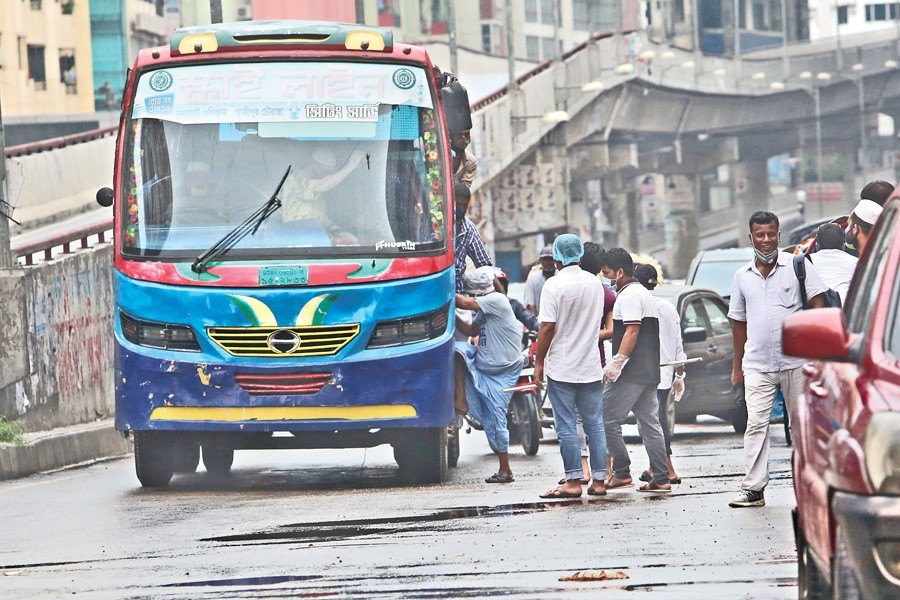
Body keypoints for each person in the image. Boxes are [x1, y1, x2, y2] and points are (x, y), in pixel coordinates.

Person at [728, 211, 828, 508]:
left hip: (797, 362)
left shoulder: (797, 266)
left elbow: (818, 305)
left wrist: (816, 352)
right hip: (757, 364)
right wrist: (737, 368)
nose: (767, 240)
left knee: (800, 426)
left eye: (771, 234)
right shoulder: (741, 277)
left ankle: (808, 485)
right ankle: (753, 489)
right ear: (751, 238)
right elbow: (738, 324)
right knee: (756, 424)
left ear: (779, 235)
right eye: (760, 235)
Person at [534, 234, 608, 499]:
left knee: (565, 425)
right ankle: (599, 481)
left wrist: (539, 362)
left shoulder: (553, 286)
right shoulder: (595, 284)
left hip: (562, 367)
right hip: (590, 366)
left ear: (556, 258)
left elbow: (547, 327)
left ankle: (574, 481)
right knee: (595, 424)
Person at [598, 248, 671, 493]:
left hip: (631, 371)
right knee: (650, 424)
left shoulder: (628, 296)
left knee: (607, 418)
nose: (606, 276)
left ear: (620, 272)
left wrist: (618, 361)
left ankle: (621, 472)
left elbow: (632, 330)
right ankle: (661, 478)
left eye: (607, 272)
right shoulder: (643, 293)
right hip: (649, 369)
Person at [454, 266, 525, 484]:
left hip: (502, 370)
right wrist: (451, 317)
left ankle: (505, 469)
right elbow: (471, 331)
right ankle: (461, 399)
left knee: (496, 419)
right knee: (456, 351)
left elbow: (464, 303)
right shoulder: (484, 308)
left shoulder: (496, 299)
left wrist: (439, 287)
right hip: (485, 366)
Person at [633, 263, 685, 485]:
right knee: (654, 420)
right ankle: (656, 467)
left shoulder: (637, 307)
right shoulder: (668, 307)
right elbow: (678, 343)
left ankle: (667, 469)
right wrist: (680, 374)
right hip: (664, 375)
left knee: (652, 423)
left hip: (645, 375)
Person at [281, 147, 363, 245]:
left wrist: (340, 233)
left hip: (316, 243)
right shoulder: (295, 178)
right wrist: (350, 166)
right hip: (295, 242)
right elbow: (321, 185)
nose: (326, 176)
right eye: (325, 172)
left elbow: (322, 219)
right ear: (316, 164)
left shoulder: (317, 197)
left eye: (329, 173)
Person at [453, 182, 493, 293]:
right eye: (458, 204)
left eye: (464, 205)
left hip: (458, 295)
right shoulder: (438, 224)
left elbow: (484, 264)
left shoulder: (469, 229)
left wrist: (502, 296)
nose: (461, 208)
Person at [807, 223, 857, 304]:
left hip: (816, 314)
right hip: (847, 313)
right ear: (843, 245)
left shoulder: (805, 263)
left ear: (817, 246)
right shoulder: (856, 263)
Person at [524, 245, 556, 316]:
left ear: (555, 260)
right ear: (541, 261)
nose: (548, 263)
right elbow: (530, 303)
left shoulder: (560, 276)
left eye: (550, 259)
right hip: (540, 321)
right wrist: (535, 324)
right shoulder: (533, 277)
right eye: (545, 259)